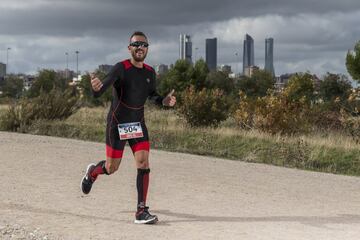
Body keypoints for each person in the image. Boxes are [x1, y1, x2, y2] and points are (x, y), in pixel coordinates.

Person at [80, 31, 176, 224]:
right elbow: (99, 92)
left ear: (147, 49)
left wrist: (164, 101)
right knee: (111, 167)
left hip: (137, 124)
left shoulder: (150, 72)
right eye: (136, 44)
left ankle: (141, 211)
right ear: (129, 48)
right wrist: (95, 87)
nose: (140, 47)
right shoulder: (120, 68)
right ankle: (92, 173)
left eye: (144, 45)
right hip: (117, 124)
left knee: (143, 163)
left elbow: (153, 95)